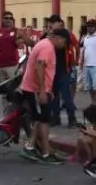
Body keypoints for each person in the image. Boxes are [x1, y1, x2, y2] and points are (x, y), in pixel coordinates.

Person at [19, 27, 69, 165]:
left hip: (38, 88)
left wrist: (47, 89)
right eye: (64, 43)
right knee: (44, 120)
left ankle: (31, 146)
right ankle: (45, 154)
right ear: (59, 38)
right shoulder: (47, 48)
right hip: (34, 89)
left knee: (41, 119)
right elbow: (39, 67)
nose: (63, 46)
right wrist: (41, 90)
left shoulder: (45, 44)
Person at [43, 14, 78, 128]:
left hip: (63, 70)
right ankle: (55, 118)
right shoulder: (47, 35)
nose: (53, 25)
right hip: (52, 71)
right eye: (51, 24)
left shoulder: (64, 34)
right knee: (54, 96)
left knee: (66, 96)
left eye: (55, 23)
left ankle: (72, 119)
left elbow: (67, 44)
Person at [0, 11, 24, 85]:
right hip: (1, 65)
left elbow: (21, 42)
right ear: (2, 19)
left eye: (11, 18)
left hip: (12, 65)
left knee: (13, 89)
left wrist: (19, 42)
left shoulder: (16, 31)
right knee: (2, 89)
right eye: (6, 18)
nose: (9, 20)